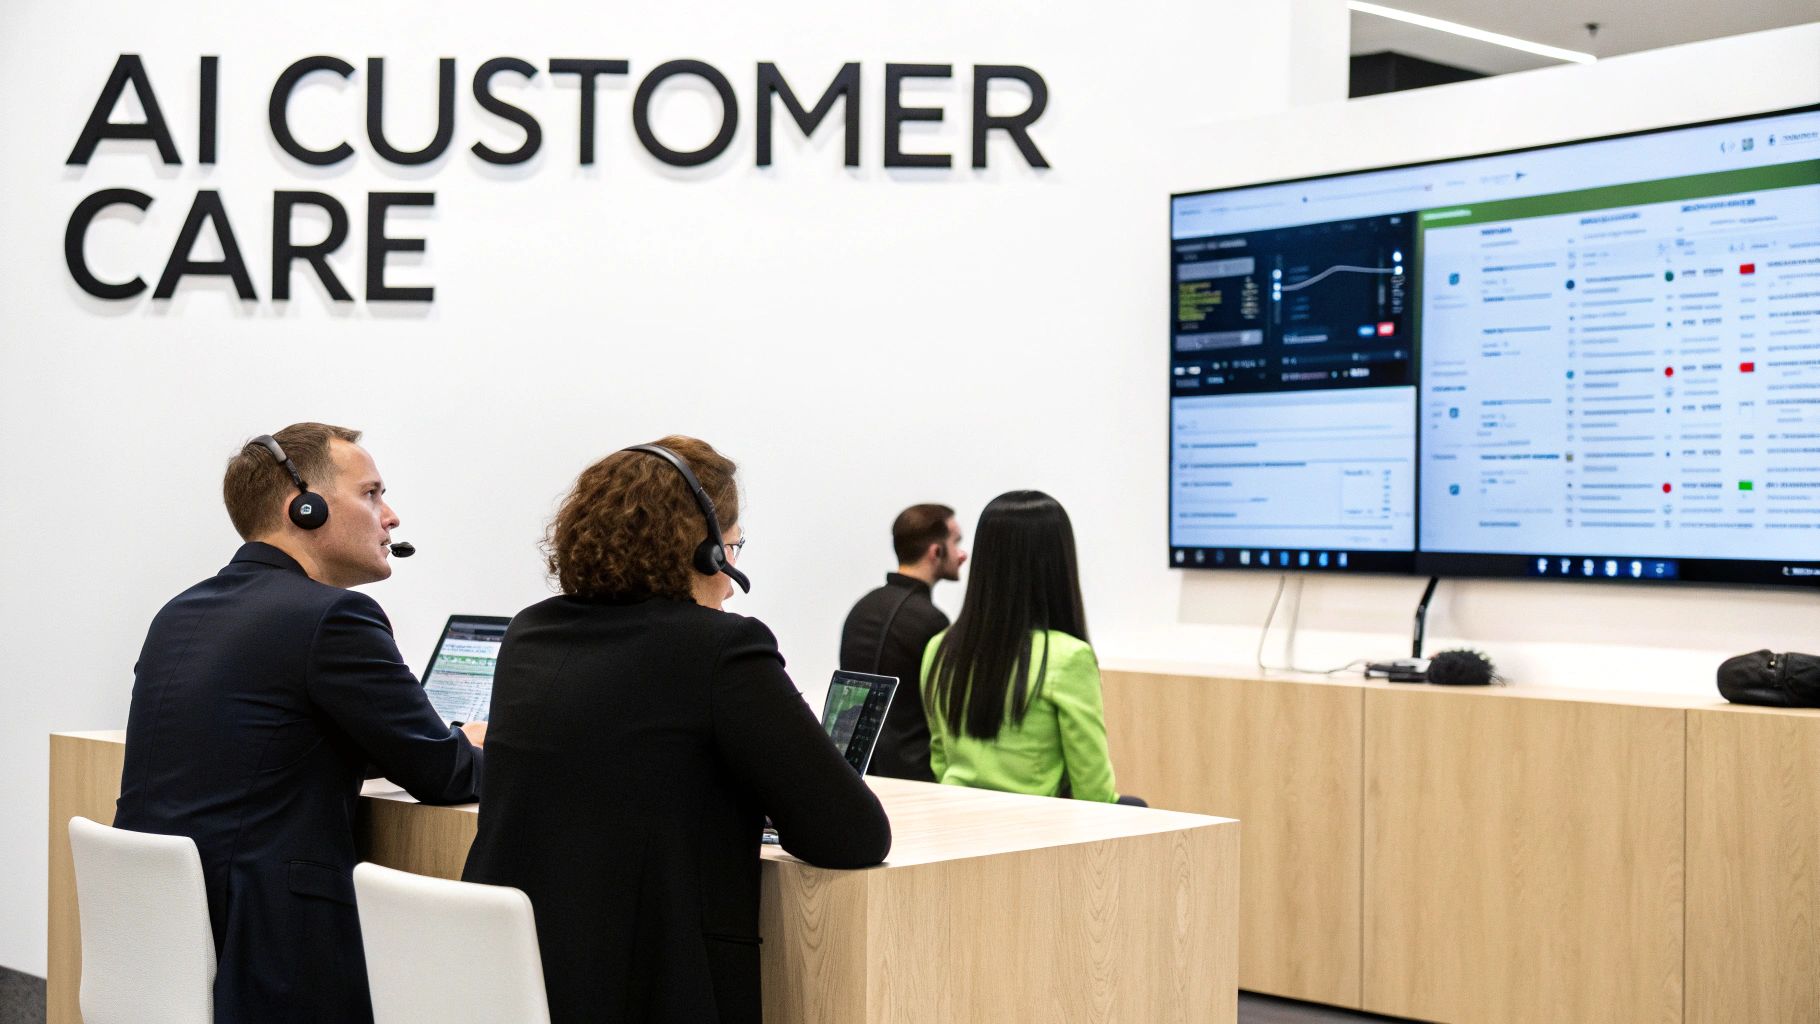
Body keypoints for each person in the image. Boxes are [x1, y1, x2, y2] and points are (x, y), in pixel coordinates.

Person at [463, 435, 890, 1024]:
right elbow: (854, 834)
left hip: (521, 984)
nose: (732, 573)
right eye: (732, 547)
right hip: (657, 990)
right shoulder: (722, 648)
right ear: (706, 552)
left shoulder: (529, 634)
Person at [113, 422, 485, 1024]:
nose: (391, 517)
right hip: (273, 955)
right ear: (304, 508)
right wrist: (496, 746)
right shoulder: (334, 617)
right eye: (371, 494)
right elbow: (444, 775)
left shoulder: (179, 612)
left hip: (167, 945)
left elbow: (263, 743)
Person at [920, 490, 1136, 805]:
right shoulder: (1068, 657)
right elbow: (1094, 792)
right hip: (1039, 825)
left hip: (957, 816)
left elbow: (940, 760)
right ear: (1058, 562)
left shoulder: (940, 648)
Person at [837, 503, 967, 781]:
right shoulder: (930, 621)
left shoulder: (862, 608)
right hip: (913, 775)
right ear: (935, 551)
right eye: (956, 542)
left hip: (854, 771)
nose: (962, 554)